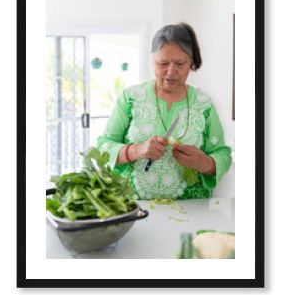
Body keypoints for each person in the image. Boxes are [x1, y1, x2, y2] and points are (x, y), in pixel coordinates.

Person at [97, 23, 232, 199]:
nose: (171, 72)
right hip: (134, 208)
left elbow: (223, 153)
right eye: (163, 63)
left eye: (180, 63)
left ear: (191, 62)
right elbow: (103, 146)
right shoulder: (131, 98)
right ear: (153, 61)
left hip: (192, 210)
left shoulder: (203, 103)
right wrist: (136, 151)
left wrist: (206, 163)